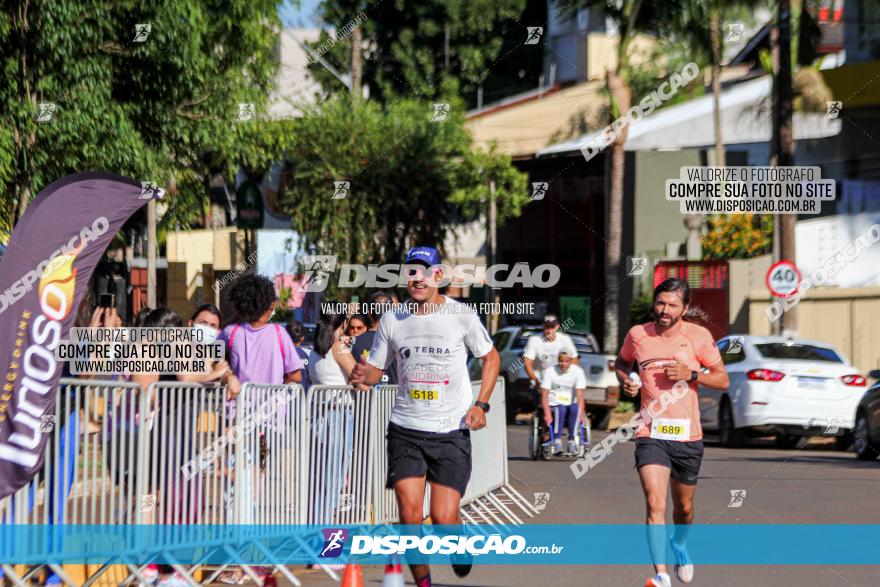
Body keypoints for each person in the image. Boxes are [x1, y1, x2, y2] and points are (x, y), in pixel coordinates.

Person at [350, 246, 500, 587]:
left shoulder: (461, 315)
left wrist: (482, 404)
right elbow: (376, 370)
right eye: (411, 271)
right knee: (409, 518)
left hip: (450, 431)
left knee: (445, 519)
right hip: (405, 429)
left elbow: (491, 358)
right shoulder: (393, 319)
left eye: (425, 270)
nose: (417, 278)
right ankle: (424, 583)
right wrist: (361, 376)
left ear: (438, 276)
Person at [614, 278, 729, 587]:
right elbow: (622, 362)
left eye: (672, 305)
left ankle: (680, 544)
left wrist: (693, 374)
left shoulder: (699, 337)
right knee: (655, 503)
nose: (664, 310)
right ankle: (661, 575)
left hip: (687, 437)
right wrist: (626, 381)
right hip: (650, 432)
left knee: (685, 509)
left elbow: (723, 380)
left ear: (685, 308)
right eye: (660, 303)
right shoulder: (638, 335)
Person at [218, 274, 303, 386]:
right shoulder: (279, 333)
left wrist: (228, 376)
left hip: (239, 401)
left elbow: (211, 359)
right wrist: (278, 390)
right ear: (271, 305)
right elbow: (295, 376)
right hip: (273, 402)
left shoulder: (230, 332)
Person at [539, 351, 588, 456]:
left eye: (566, 361)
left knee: (576, 409)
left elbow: (580, 395)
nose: (564, 364)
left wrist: (582, 413)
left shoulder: (577, 372)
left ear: (571, 361)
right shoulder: (550, 371)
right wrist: (547, 414)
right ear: (558, 360)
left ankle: (572, 441)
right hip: (553, 403)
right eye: (561, 361)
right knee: (560, 409)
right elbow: (544, 394)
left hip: (570, 403)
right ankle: (557, 441)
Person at [350, 291, 397, 385]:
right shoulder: (401, 341)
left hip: (365, 397)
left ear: (369, 312)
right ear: (392, 312)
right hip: (394, 397)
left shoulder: (353, 343)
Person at [523, 314, 579, 390]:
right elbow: (527, 364)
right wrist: (535, 381)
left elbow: (574, 359)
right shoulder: (534, 340)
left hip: (560, 383)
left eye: (552, 327)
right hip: (540, 383)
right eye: (547, 327)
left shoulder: (565, 339)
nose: (549, 331)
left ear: (557, 327)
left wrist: (566, 377)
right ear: (543, 326)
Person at [287, 320, 313, 391]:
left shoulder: (282, 354)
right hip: (305, 399)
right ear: (302, 338)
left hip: (285, 399)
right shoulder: (310, 354)